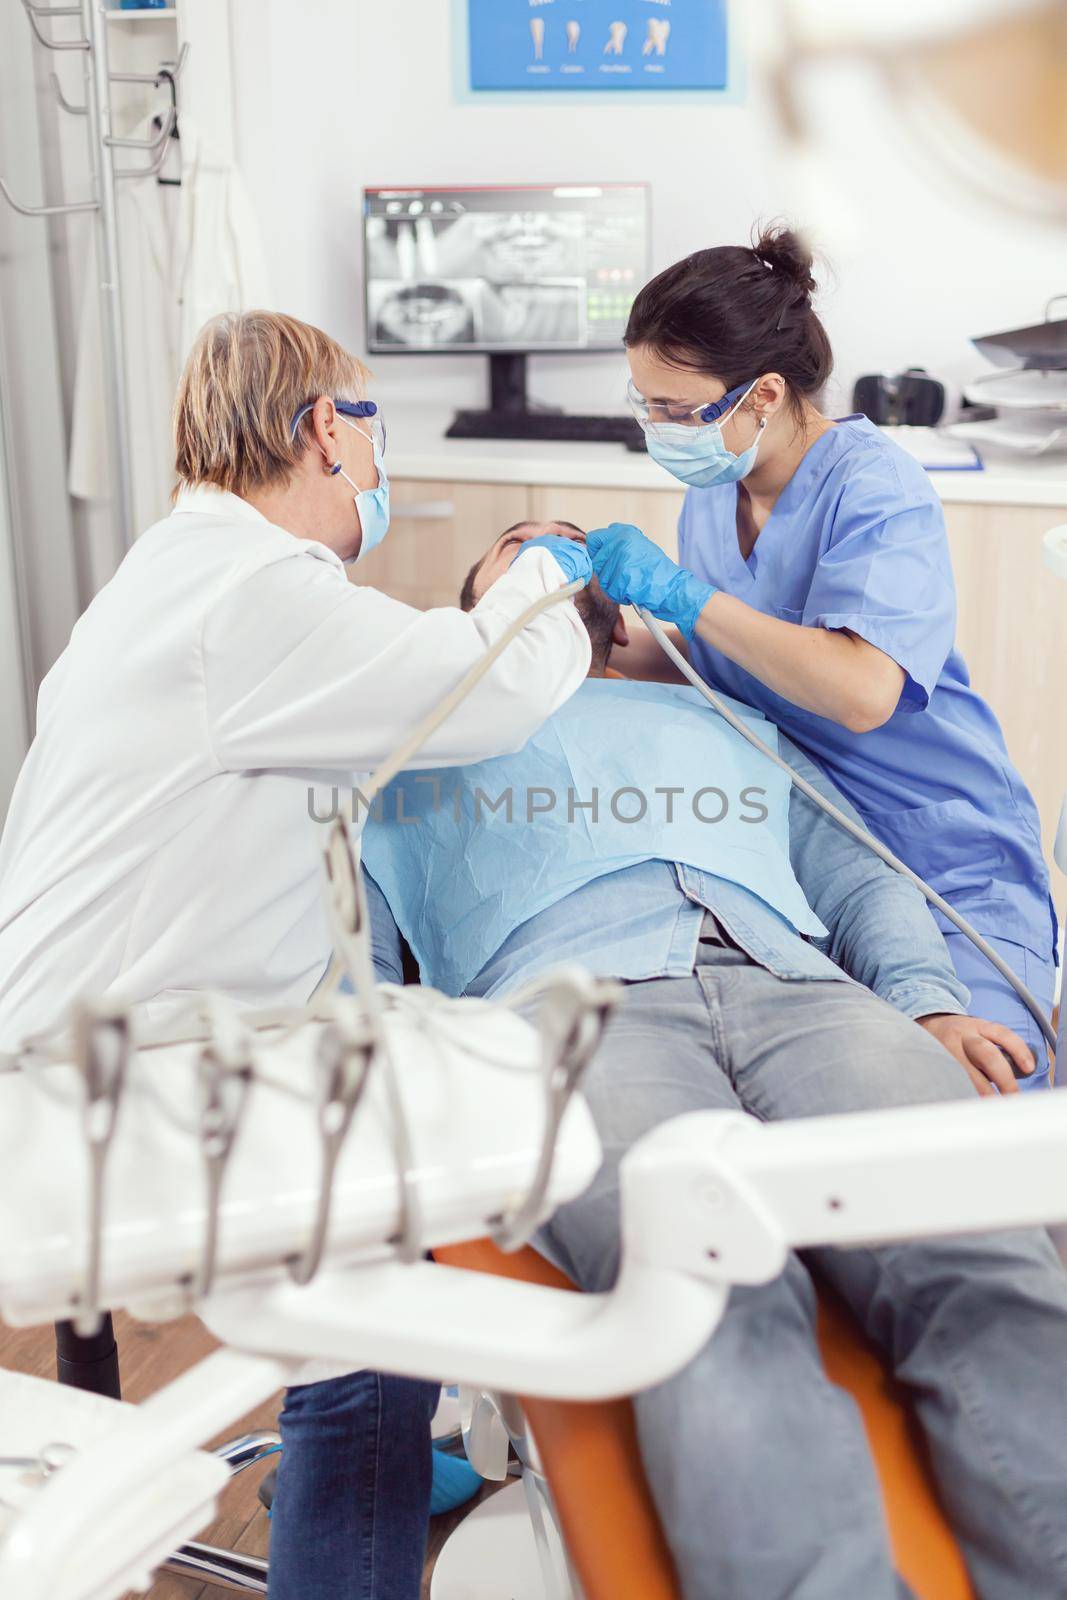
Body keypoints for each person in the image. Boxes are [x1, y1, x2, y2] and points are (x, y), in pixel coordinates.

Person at [352, 520, 1067, 1599]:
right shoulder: (410, 753)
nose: (559, 550)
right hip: (574, 1017)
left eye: (575, 540)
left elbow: (860, 878)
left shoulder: (723, 718)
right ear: (473, 611)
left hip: (803, 994)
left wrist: (925, 1007)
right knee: (703, 1289)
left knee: (979, 1249)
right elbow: (345, 963)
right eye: (520, 543)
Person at [0, 311, 594, 1599]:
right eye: (369, 427)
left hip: (88, 1047)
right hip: (113, 1083)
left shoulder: (187, 575)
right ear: (328, 428)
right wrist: (539, 575)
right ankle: (357, 1495)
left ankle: (372, 1463)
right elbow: (493, 687)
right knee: (381, 1302)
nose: (376, 464)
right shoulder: (252, 595)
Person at [584, 225, 1056, 1086]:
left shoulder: (874, 486)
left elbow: (860, 690)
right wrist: (598, 640)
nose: (654, 428)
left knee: (972, 1101)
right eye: (642, 401)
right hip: (804, 858)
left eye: (674, 410)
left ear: (762, 395)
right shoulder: (717, 493)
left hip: (933, 853)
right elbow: (727, 656)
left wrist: (682, 597)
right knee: (834, 1103)